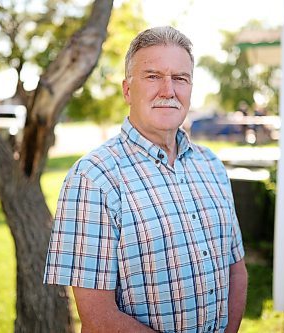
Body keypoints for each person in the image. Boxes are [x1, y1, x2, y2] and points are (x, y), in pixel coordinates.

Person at [44, 26, 248, 333]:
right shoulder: (93, 179)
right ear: (128, 90)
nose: (169, 90)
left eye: (180, 78)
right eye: (153, 76)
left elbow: (236, 271)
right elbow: (99, 318)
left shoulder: (212, 166)